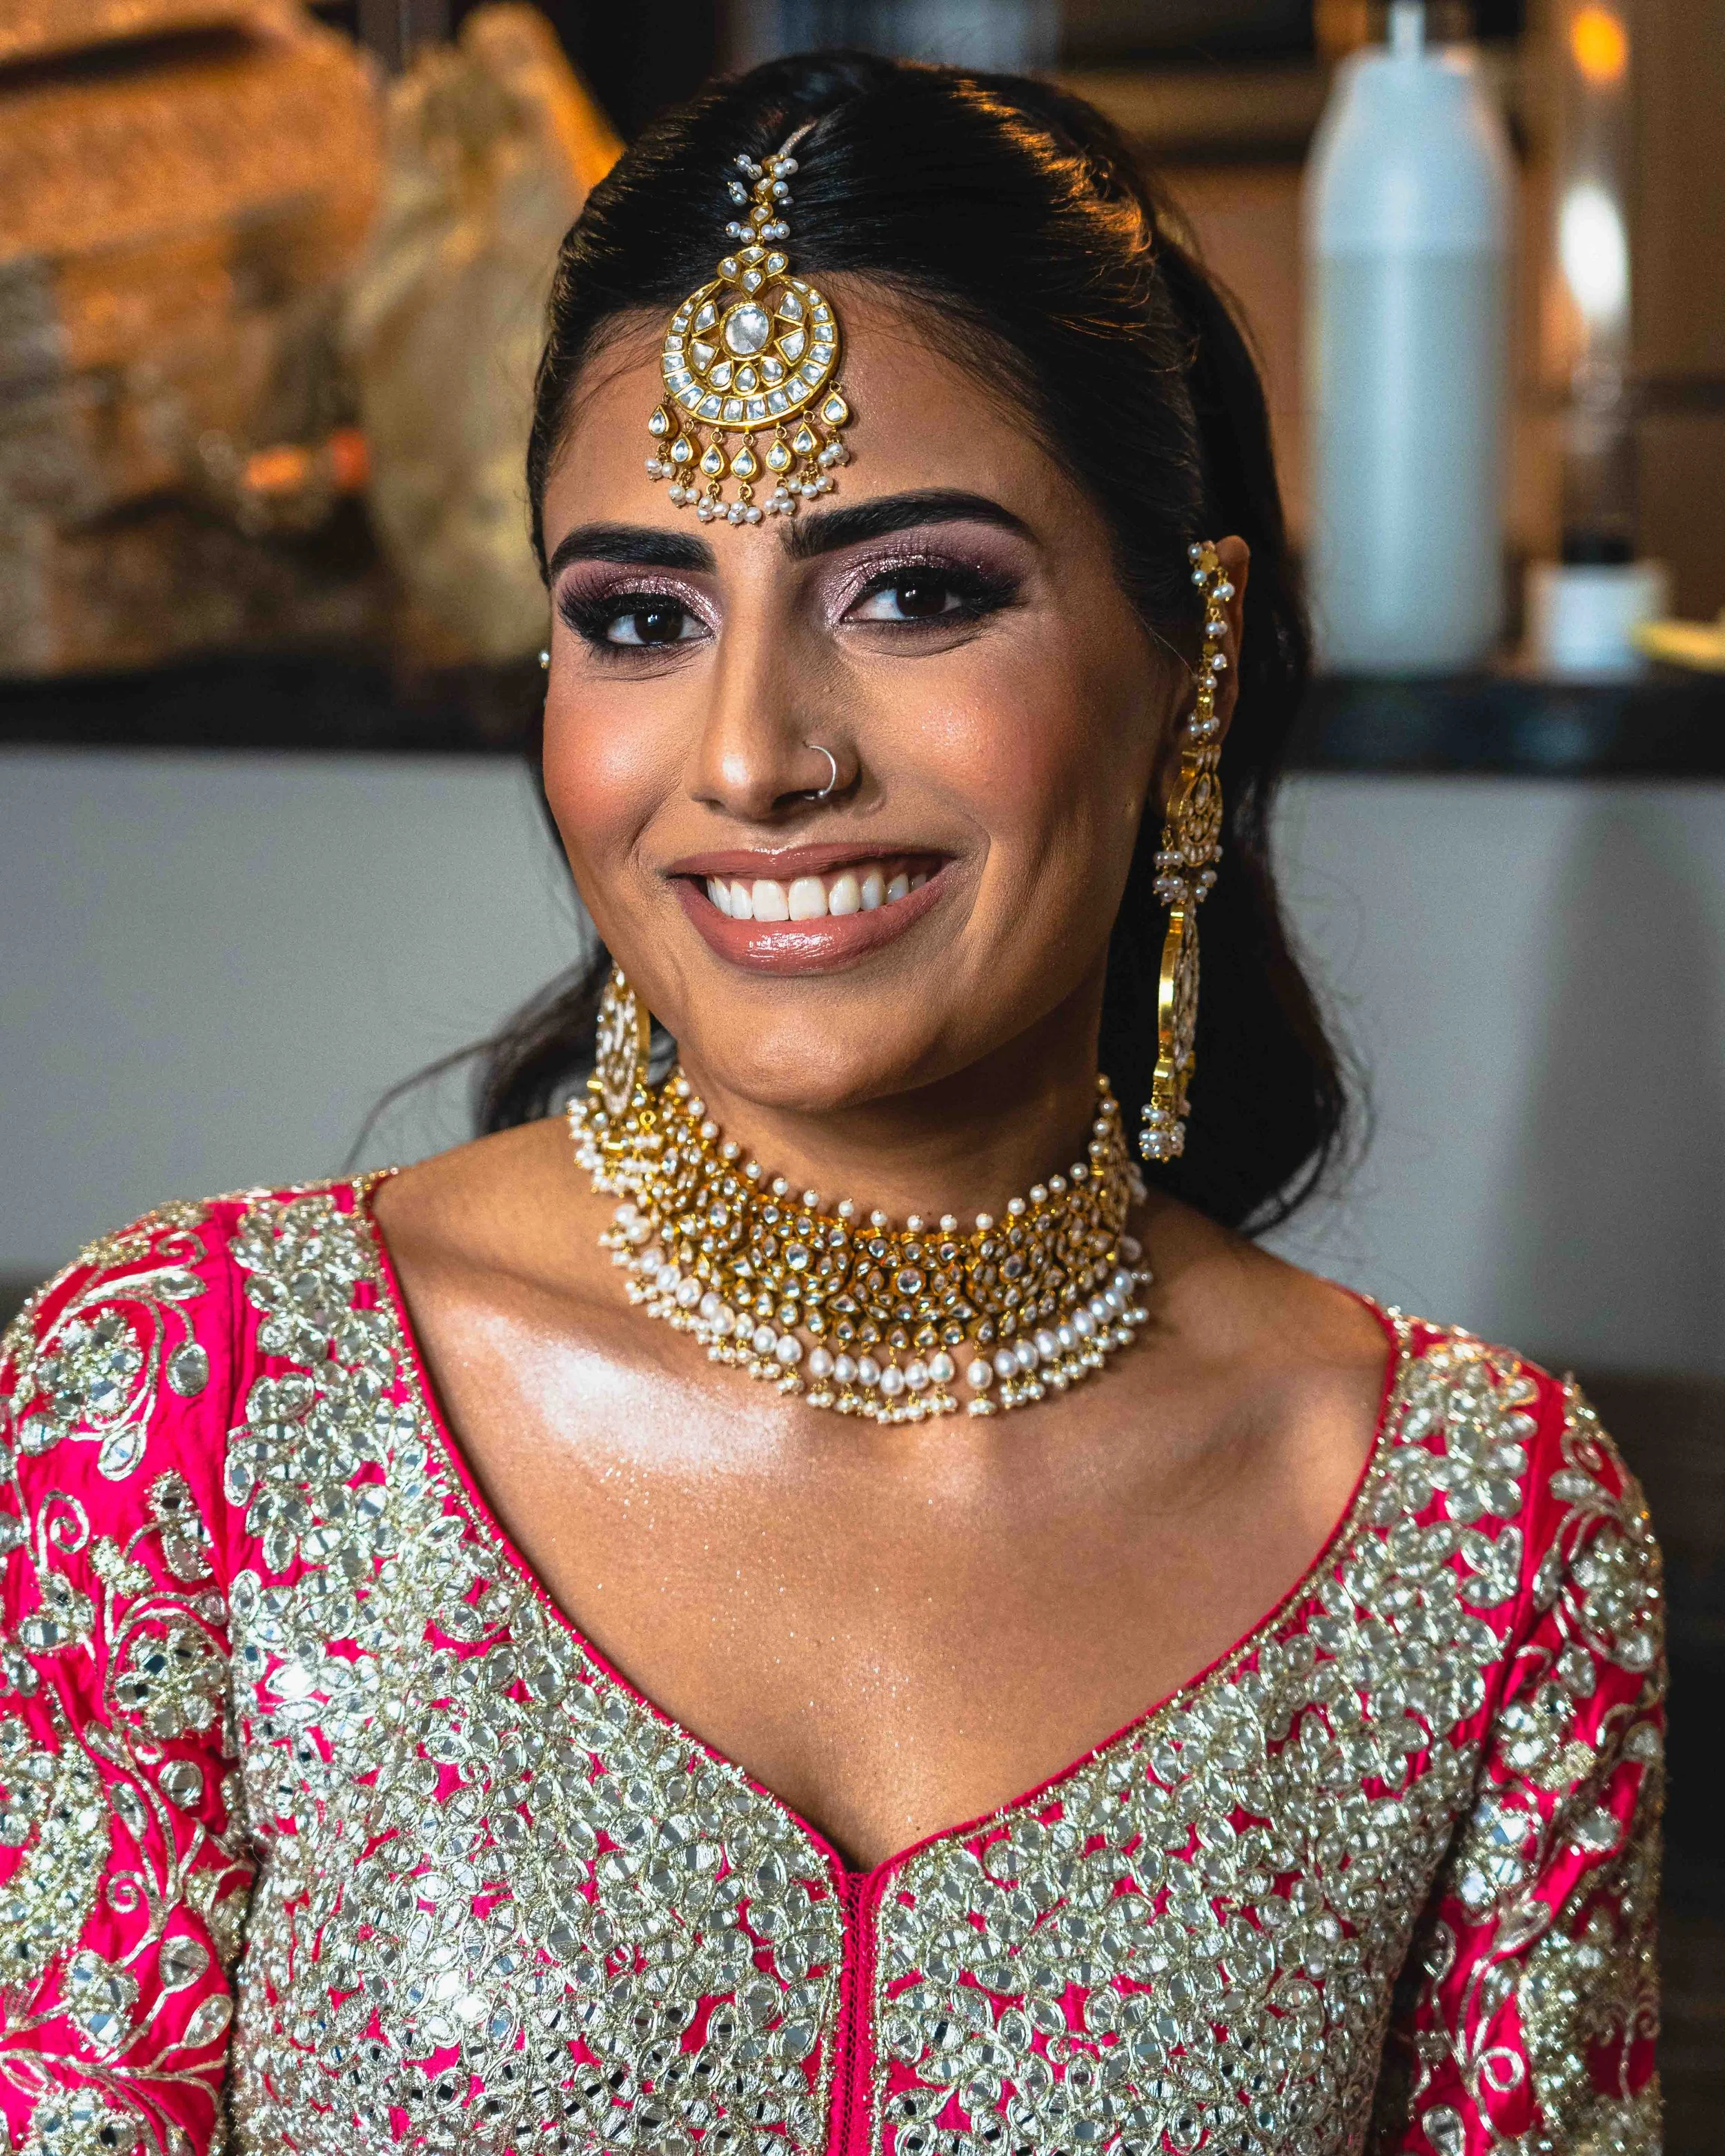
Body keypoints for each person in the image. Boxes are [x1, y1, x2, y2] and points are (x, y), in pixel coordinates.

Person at [0, 51, 1663, 2156]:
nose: (754, 754)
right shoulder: (193, 1409)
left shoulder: (1486, 1540)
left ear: (1196, 657)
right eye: (637, 617)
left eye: (915, 592)